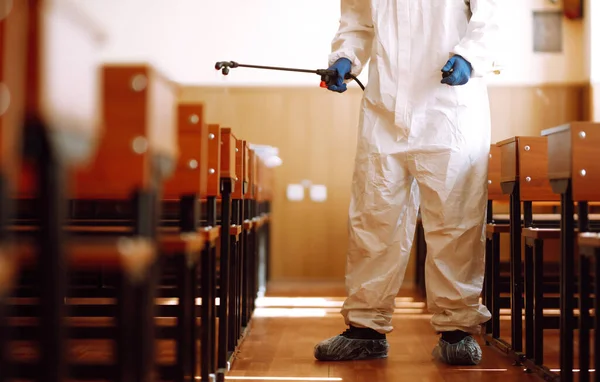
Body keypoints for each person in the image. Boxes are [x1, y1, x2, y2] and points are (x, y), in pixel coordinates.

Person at [314, 0, 501, 366]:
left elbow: (492, 13)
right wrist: (345, 59)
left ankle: (457, 331)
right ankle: (365, 330)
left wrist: (469, 55)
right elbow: (357, 23)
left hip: (449, 108)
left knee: (455, 221)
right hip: (385, 109)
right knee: (373, 218)